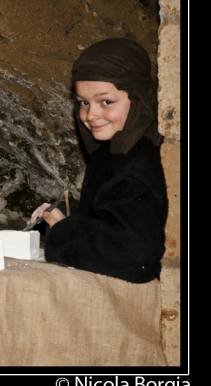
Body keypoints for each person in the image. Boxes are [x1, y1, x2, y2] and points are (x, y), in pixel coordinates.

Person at [27, 38, 167, 283]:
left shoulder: (133, 167)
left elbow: (133, 256)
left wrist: (64, 231)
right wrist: (64, 220)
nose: (90, 115)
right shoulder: (112, 154)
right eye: (83, 102)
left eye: (106, 102)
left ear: (139, 100)